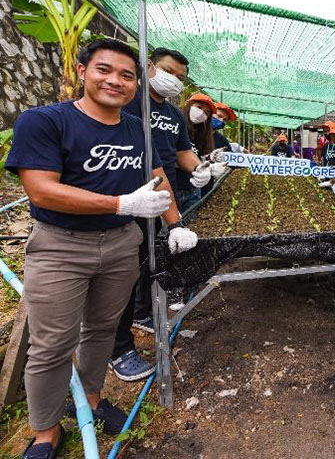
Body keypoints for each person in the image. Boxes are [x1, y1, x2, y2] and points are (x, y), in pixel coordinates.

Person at [5, 38, 197, 459]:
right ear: (81, 72)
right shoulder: (44, 121)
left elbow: (158, 172)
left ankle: (90, 401)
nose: (115, 81)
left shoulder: (137, 130)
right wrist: (121, 204)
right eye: (104, 70)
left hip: (119, 244)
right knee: (52, 343)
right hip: (61, 246)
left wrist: (175, 223)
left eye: (126, 75)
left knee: (101, 330)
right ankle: (45, 431)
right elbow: (40, 191)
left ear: (136, 82)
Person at [111, 47, 212, 381]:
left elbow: (180, 152)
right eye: (170, 71)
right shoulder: (128, 101)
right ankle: (119, 342)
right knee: (126, 268)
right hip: (127, 196)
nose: (174, 80)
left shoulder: (172, 114)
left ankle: (141, 312)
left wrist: (198, 169)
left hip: (161, 193)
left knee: (148, 257)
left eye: (181, 78)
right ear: (150, 66)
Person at [175, 92, 225, 211]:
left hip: (193, 190)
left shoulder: (201, 133)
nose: (201, 113)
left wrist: (210, 159)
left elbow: (198, 156)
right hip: (174, 189)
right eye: (199, 107)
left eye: (206, 113)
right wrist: (204, 168)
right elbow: (172, 156)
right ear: (188, 106)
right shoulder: (175, 125)